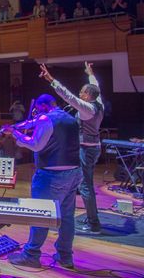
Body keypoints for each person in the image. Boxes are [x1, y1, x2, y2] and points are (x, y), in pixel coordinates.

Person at [6, 93, 82, 269]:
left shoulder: (46, 118)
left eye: (38, 111)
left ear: (42, 107)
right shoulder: (70, 118)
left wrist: (16, 134)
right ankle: (65, 256)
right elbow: (34, 123)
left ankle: (31, 255)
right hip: (73, 173)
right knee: (67, 217)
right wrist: (19, 125)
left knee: (40, 215)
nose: (37, 114)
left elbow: (35, 144)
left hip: (51, 175)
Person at [39, 62, 104, 234]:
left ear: (89, 96)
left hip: (85, 149)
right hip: (93, 147)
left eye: (83, 91)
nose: (80, 93)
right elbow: (96, 86)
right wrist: (90, 73)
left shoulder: (88, 109)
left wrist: (51, 80)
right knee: (85, 184)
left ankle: (93, 224)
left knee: (85, 186)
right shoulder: (98, 102)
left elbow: (69, 97)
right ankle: (92, 218)